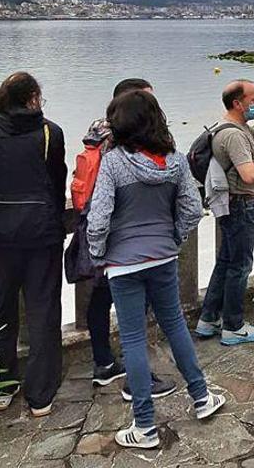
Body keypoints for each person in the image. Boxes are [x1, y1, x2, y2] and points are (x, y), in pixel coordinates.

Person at [87, 90, 225, 448]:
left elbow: (99, 217)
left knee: (133, 339)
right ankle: (201, 397)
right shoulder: (176, 161)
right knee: (175, 326)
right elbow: (193, 210)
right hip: (163, 257)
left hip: (123, 263)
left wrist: (99, 254)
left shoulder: (114, 162)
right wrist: (172, 238)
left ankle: (145, 426)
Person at [0, 72, 66, 416]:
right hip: (43, 235)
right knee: (44, 310)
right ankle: (41, 394)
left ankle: (1, 387)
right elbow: (56, 183)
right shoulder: (51, 132)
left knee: (1, 310)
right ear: (34, 97)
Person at [78, 78, 176, 400]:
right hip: (125, 240)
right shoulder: (126, 140)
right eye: (147, 100)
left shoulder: (96, 134)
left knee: (100, 299)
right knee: (134, 318)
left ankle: (104, 363)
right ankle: (138, 383)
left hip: (100, 232)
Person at [195, 79, 254, 345]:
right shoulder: (232, 134)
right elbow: (248, 173)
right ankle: (233, 326)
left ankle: (208, 319)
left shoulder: (239, 127)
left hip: (234, 204)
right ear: (237, 103)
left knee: (225, 263)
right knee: (240, 266)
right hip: (241, 204)